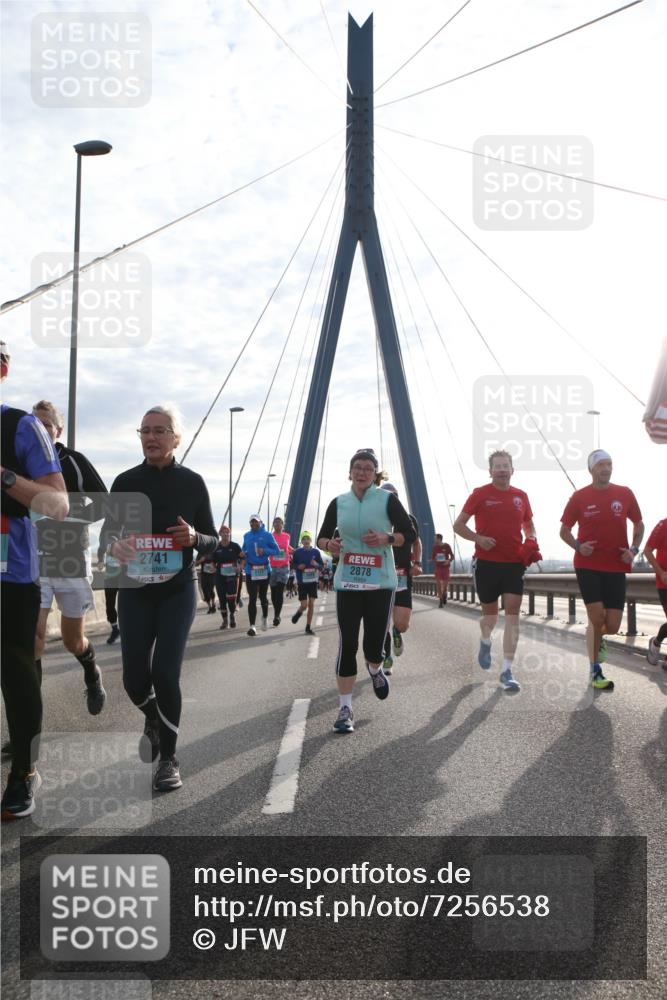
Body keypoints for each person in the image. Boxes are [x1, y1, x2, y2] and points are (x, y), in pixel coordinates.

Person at [102, 405, 218, 792]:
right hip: (135, 591)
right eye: (145, 431)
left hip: (177, 589)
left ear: (176, 438)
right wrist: (115, 546)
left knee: (166, 673)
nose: (151, 437)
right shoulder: (124, 482)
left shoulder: (192, 482)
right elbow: (108, 537)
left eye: (160, 430)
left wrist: (195, 538)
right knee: (134, 680)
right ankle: (152, 715)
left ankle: (168, 758)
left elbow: (213, 540)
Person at [1, 343, 68, 819]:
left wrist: (4, 477)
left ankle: (24, 770)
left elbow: (57, 504)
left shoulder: (21, 426)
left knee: (16, 671)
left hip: (10, 570)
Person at [317, 448, 415, 734]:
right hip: (348, 582)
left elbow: (409, 533)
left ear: (375, 475)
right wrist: (329, 545)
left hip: (380, 583)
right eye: (357, 467)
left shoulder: (387, 500)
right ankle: (345, 709)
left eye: (367, 469)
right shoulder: (339, 503)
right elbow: (321, 536)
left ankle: (375, 669)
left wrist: (386, 538)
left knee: (373, 646)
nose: (361, 472)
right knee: (347, 643)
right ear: (350, 472)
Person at [31, 401, 107, 715]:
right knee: (33, 638)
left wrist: (67, 512)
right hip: (31, 560)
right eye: (34, 424)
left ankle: (91, 670)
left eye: (46, 424)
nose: (40, 430)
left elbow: (104, 503)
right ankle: (29, 721)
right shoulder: (19, 461)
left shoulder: (73, 461)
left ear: (58, 430)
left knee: (72, 640)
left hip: (70, 558)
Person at [560, 449, 643, 691]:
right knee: (597, 618)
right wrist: (578, 546)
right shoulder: (579, 497)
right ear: (591, 469)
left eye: (609, 464)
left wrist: (634, 550)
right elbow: (564, 531)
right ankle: (595, 670)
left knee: (613, 625)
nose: (606, 469)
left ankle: (597, 639)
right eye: (601, 465)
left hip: (616, 566)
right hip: (587, 565)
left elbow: (639, 524)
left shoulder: (624, 493)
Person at [454, 450, 536, 693]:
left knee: (512, 614)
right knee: (489, 618)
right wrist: (479, 539)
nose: (502, 470)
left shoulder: (521, 496)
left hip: (514, 564)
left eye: (505, 466)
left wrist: (531, 538)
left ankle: (507, 671)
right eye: (497, 466)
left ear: (512, 470)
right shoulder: (480, 494)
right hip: (487, 564)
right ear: (490, 471)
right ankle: (485, 640)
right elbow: (458, 525)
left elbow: (529, 524)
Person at [380, 483, 421, 674]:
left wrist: (417, 563)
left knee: (402, 624)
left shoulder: (408, 519)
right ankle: (386, 657)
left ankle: (397, 632)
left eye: (393, 496)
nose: (390, 500)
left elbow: (417, 542)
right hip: (380, 576)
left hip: (403, 575)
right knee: (381, 622)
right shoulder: (375, 519)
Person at [241, 515, 280, 636]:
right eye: (251, 522)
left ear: (260, 522)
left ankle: (265, 617)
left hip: (264, 570)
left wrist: (264, 551)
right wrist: (243, 553)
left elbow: (277, 551)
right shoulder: (246, 535)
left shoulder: (267, 535)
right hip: (250, 570)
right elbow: (244, 549)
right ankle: (252, 626)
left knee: (263, 597)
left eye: (256, 522)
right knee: (252, 598)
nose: (254, 524)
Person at [644, 517, 667, 667]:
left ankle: (657, 643)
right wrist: (661, 572)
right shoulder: (663, 524)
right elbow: (647, 551)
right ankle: (656, 643)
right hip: (665, 582)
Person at [291, 532, 324, 635]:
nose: (306, 540)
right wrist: (298, 567)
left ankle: (308, 627)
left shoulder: (316, 552)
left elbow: (321, 567)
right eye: (304, 539)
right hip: (302, 582)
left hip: (313, 582)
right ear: (301, 541)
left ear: (310, 540)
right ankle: (299, 612)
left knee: (311, 604)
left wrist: (316, 564)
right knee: (304, 605)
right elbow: (292, 565)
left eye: (307, 538)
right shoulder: (297, 552)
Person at [212, 524, 243, 629]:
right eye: (223, 532)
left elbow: (243, 558)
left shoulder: (235, 546)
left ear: (230, 534)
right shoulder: (216, 547)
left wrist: (240, 566)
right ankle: (225, 621)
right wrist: (213, 567)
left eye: (227, 532)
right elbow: (213, 561)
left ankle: (232, 615)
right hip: (220, 576)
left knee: (231, 598)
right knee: (222, 599)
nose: (226, 534)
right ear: (220, 534)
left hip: (232, 576)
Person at [269, 516, 293, 626]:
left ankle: (277, 616)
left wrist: (295, 551)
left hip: (284, 567)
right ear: (273, 525)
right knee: (273, 593)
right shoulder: (270, 536)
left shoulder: (287, 536)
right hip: (272, 567)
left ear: (283, 525)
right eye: (275, 522)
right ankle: (276, 611)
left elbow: (287, 547)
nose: (277, 524)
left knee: (279, 590)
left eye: (279, 522)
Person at [431, 533, 454, 607]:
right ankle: (440, 601)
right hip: (438, 568)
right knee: (438, 585)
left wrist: (449, 560)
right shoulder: (434, 547)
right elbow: (433, 557)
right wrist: (432, 559)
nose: (434, 540)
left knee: (445, 585)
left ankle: (444, 594)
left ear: (439, 539)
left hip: (446, 568)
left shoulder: (447, 546)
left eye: (435, 539)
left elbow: (452, 556)